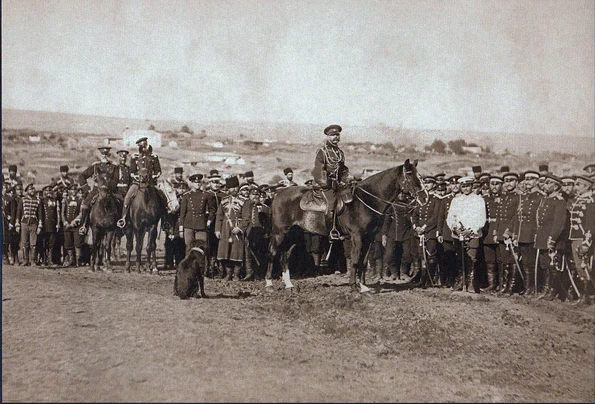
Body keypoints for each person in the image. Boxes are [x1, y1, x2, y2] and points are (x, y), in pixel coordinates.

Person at [447, 177, 486, 293]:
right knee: (460, 258)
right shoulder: (456, 200)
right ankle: (461, 281)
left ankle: (471, 283)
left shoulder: (478, 200)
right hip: (458, 234)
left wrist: (471, 229)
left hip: (472, 233)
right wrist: (454, 227)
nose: (466, 189)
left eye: (468, 186)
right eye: (463, 186)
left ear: (472, 186)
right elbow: (450, 217)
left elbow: (481, 218)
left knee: (472, 259)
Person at [311, 124, 351, 238]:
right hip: (324, 184)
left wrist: (348, 178)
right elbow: (318, 170)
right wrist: (327, 183)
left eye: (337, 135)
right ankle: (330, 230)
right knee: (332, 201)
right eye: (333, 135)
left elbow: (343, 169)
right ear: (328, 136)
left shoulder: (340, 153)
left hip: (338, 185)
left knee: (350, 198)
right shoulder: (322, 152)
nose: (336, 137)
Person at [534, 175, 569, 301]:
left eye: (548, 183)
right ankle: (546, 289)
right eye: (545, 182)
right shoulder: (545, 199)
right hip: (542, 237)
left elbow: (559, 224)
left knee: (553, 265)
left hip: (553, 239)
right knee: (545, 265)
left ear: (556, 186)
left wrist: (552, 239)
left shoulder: (559, 201)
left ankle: (553, 291)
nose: (545, 185)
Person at [118, 137, 165, 228]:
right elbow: (132, 171)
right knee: (127, 197)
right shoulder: (134, 157)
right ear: (139, 147)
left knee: (162, 196)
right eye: (142, 146)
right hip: (137, 183)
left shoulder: (154, 157)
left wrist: (153, 176)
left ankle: (165, 220)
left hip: (150, 183)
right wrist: (137, 177)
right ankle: (123, 218)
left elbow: (158, 170)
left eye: (145, 145)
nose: (144, 148)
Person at [72, 147, 120, 230]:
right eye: (103, 154)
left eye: (106, 154)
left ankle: (119, 224)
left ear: (109, 155)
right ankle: (84, 226)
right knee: (85, 205)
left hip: (109, 190)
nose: (104, 156)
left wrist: (108, 187)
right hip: (96, 190)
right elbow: (82, 177)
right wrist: (87, 189)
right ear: (100, 155)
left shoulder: (114, 166)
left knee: (119, 202)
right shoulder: (95, 166)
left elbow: (115, 180)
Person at [215, 176, 249, 281]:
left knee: (237, 251)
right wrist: (217, 230)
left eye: (235, 187)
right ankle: (228, 274)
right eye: (231, 187)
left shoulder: (244, 201)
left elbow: (246, 218)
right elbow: (219, 216)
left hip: (236, 228)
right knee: (225, 251)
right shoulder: (224, 200)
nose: (233, 189)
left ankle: (237, 275)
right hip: (225, 229)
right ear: (228, 189)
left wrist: (239, 228)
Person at [179, 174, 216, 252]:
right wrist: (181, 229)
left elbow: (212, 209)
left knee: (201, 248)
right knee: (189, 247)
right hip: (188, 225)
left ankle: (202, 264)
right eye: (195, 182)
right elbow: (182, 214)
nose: (198, 184)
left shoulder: (206, 195)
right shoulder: (186, 196)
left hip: (201, 225)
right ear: (192, 183)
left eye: (199, 182)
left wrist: (209, 220)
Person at [15, 184, 44, 266]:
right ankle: (25, 260)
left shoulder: (38, 200)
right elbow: (18, 213)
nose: (32, 191)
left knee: (33, 243)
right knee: (24, 243)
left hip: (34, 223)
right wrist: (17, 224)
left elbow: (40, 214)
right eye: (30, 189)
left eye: (33, 189)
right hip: (24, 223)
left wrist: (40, 226)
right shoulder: (23, 200)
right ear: (27, 191)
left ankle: (33, 261)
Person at [61, 184, 84, 267]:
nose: (73, 192)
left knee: (78, 243)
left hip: (76, 225)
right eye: (72, 190)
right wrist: (65, 222)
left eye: (75, 190)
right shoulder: (65, 200)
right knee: (68, 242)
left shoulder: (80, 200)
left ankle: (78, 260)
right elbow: (62, 213)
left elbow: (81, 213)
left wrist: (75, 221)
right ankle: (71, 259)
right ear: (69, 191)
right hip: (67, 225)